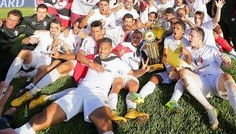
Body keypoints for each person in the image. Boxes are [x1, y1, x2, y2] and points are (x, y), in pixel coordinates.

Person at [14, 37, 148, 134]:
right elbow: (78, 56)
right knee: (42, 118)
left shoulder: (117, 62)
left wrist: (143, 70)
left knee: (105, 125)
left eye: (105, 49)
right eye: (100, 48)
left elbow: (133, 73)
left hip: (97, 94)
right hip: (79, 92)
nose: (101, 51)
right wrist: (91, 63)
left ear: (111, 49)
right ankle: (16, 132)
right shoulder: (93, 57)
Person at [175, 27, 236, 133]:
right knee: (183, 73)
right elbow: (179, 67)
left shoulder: (211, 49)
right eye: (189, 35)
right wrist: (177, 69)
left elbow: (228, 66)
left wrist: (228, 61)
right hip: (202, 83)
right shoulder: (187, 51)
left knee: (228, 77)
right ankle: (210, 109)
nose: (189, 37)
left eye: (192, 35)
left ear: (200, 38)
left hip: (217, 80)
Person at [129, 20, 191, 104]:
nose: (174, 30)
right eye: (174, 28)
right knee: (154, 77)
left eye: (177, 28)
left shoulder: (186, 42)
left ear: (183, 31)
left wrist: (175, 70)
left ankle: (173, 102)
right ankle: (140, 96)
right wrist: (164, 59)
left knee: (181, 81)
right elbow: (165, 53)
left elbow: (187, 63)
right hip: (168, 69)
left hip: (180, 70)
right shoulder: (168, 39)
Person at [3, 19, 63, 90]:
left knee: (42, 74)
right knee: (23, 52)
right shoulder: (43, 33)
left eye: (56, 28)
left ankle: (24, 74)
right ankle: (5, 84)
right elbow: (23, 41)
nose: (53, 30)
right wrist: (29, 40)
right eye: (51, 27)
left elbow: (60, 45)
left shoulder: (63, 38)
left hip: (45, 62)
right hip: (35, 56)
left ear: (60, 28)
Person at [108, 30, 150, 124]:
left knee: (134, 86)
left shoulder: (142, 51)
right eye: (133, 37)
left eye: (138, 38)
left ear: (141, 39)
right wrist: (117, 55)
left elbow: (142, 67)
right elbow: (110, 55)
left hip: (131, 73)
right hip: (119, 71)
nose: (135, 39)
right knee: (117, 84)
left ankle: (131, 110)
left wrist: (143, 69)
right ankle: (112, 111)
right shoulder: (123, 44)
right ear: (131, 37)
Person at [0, 10, 35, 82]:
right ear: (6, 18)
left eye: (14, 20)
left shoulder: (19, 29)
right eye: (10, 19)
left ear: (18, 22)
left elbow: (36, 31)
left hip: (5, 55)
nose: (11, 22)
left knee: (15, 63)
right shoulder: (1, 24)